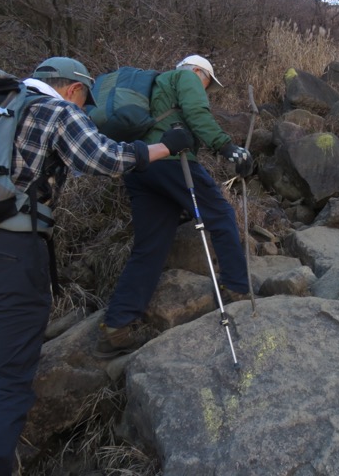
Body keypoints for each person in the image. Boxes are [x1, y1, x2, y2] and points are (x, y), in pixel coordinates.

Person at [0, 57, 192, 475]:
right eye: (85, 100)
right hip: (10, 254)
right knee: (6, 383)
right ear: (74, 89)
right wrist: (168, 144)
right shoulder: (54, 110)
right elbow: (104, 158)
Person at [95, 54, 254, 358]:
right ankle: (237, 288)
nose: (205, 89)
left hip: (141, 165)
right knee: (220, 214)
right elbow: (196, 113)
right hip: (172, 163)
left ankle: (115, 328)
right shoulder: (185, 78)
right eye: (207, 82)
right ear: (198, 71)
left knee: (150, 247)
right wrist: (227, 148)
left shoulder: (154, 85)